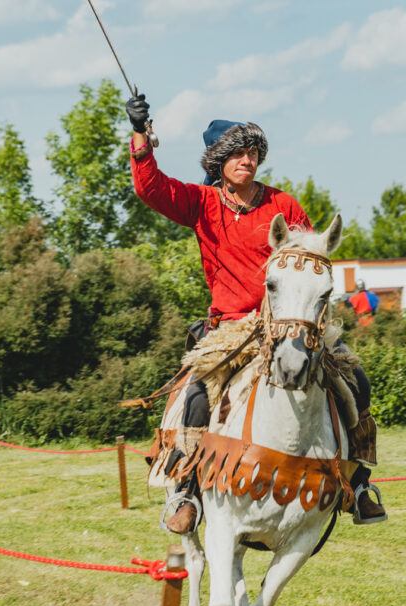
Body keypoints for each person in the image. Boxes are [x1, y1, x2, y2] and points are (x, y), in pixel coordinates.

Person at [125, 97, 386, 532]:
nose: (247, 161)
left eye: (253, 154)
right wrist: (139, 135)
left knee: (356, 382)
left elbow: (309, 256)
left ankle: (358, 484)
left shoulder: (284, 204)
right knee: (195, 395)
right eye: (237, 154)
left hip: (292, 322)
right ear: (219, 162)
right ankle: (187, 489)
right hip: (231, 326)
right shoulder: (202, 203)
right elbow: (150, 187)